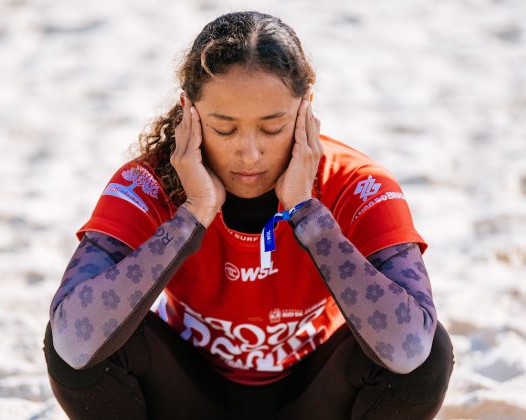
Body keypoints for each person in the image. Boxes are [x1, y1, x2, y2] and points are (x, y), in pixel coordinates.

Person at [43, 10, 454, 420]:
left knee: (428, 353)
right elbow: (72, 342)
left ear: (306, 107)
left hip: (312, 397)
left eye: (273, 128)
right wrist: (193, 215)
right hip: (189, 396)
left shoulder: (356, 183)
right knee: (87, 338)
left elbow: (411, 348)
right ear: (189, 110)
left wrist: (307, 213)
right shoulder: (149, 184)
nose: (250, 153)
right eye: (224, 129)